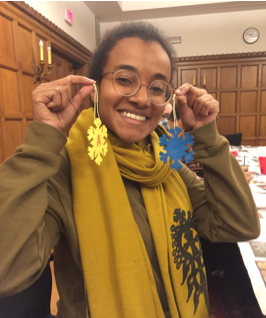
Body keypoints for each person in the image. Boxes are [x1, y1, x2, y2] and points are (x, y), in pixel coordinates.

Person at [0, 21, 260, 318]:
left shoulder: (166, 163)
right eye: (125, 79)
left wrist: (209, 138)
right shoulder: (65, 171)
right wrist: (41, 142)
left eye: (158, 87)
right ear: (95, 89)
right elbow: (5, 270)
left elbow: (239, 225)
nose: (141, 98)